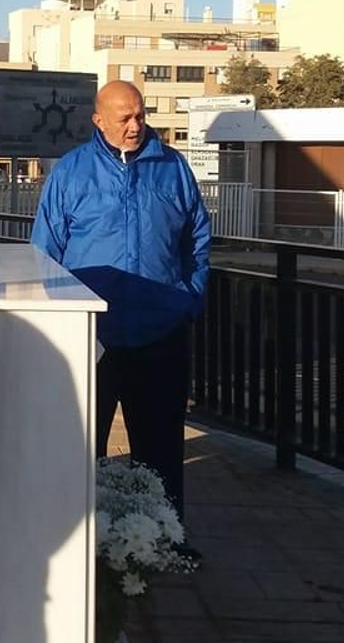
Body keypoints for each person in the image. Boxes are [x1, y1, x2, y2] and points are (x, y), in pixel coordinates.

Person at [30, 81, 210, 529]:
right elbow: (44, 254)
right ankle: (80, 540)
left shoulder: (173, 168)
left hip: (160, 331)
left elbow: (198, 241)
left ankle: (166, 536)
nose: (135, 126)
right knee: (81, 447)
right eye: (124, 118)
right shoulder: (72, 172)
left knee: (161, 448)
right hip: (93, 337)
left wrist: (188, 300)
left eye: (140, 115)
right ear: (99, 120)